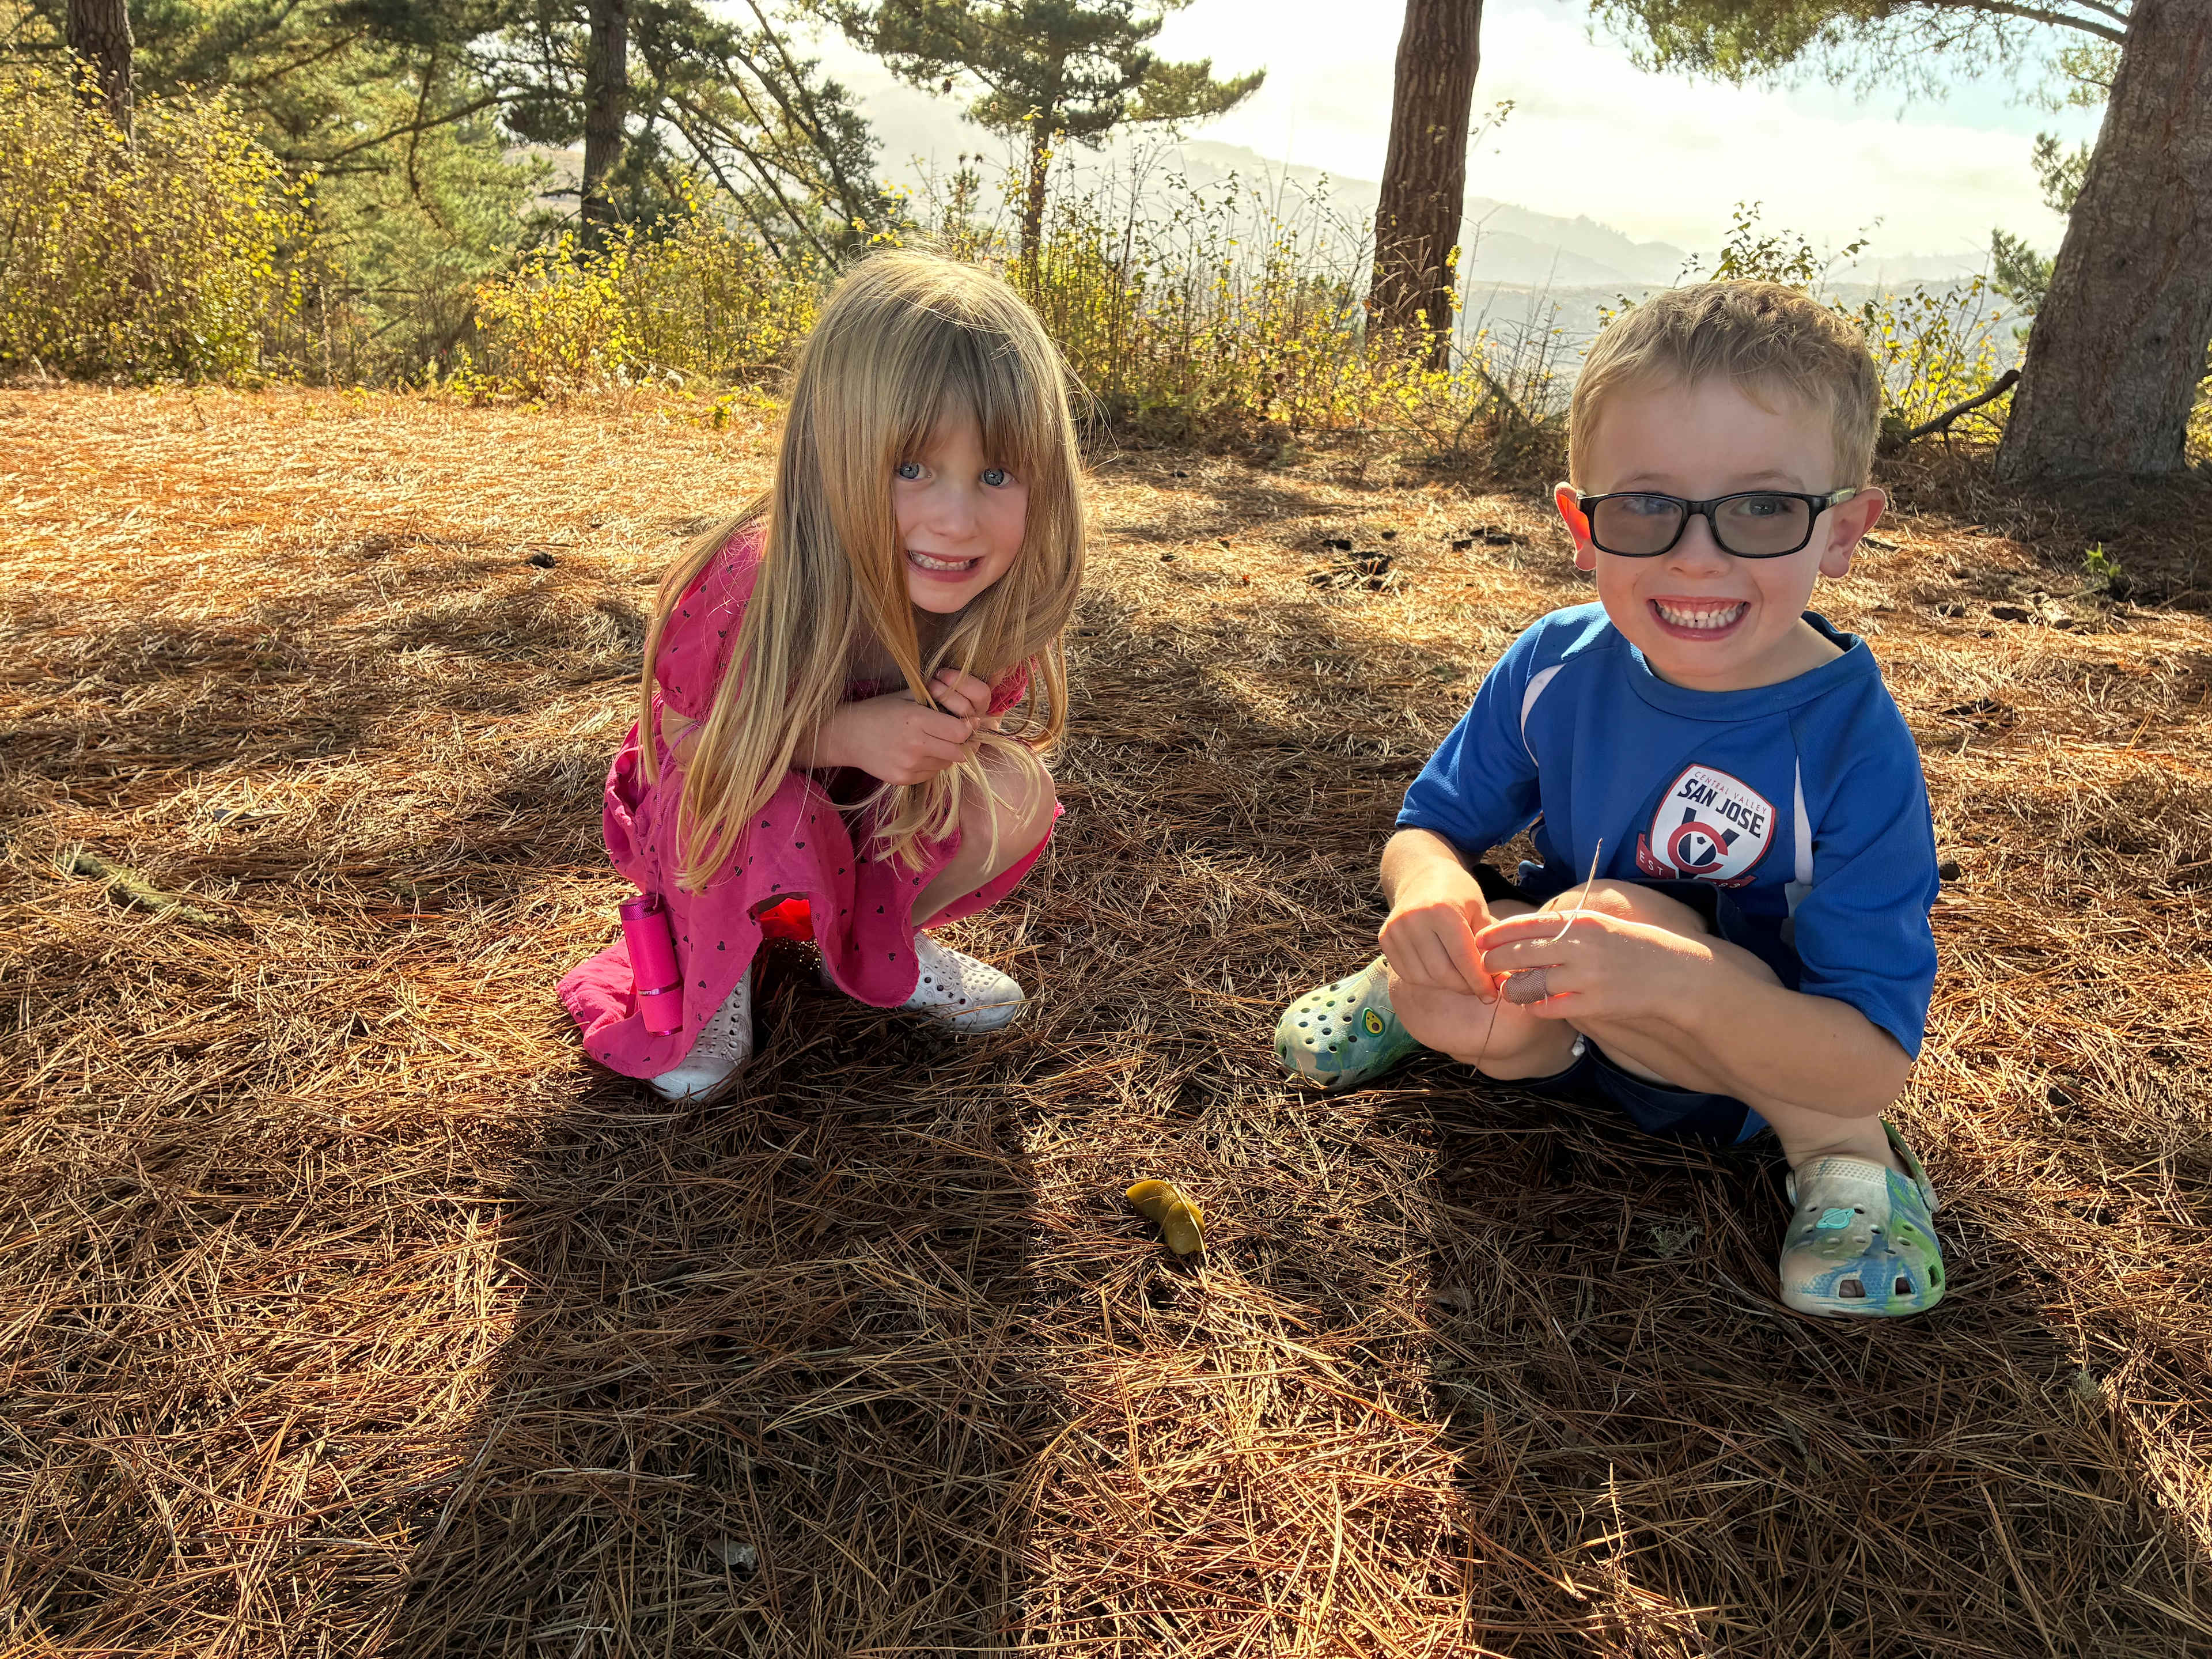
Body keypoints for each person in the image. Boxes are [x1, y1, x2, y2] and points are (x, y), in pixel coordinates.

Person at [1274, 281, 1947, 1320]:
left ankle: (1847, 1168)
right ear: (1581, 526)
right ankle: (1462, 998)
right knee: (1439, 997)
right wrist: (1430, 900)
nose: (1697, 555)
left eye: (1762, 509)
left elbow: (1866, 1059)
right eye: (1646, 505)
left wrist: (1676, 984)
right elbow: (1432, 829)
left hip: (1766, 1067)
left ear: (1845, 530)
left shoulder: (1851, 748)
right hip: (1575, 1004)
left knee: (1626, 928)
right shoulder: (1556, 662)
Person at [559, 250, 1084, 1101]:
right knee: (762, 806)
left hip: (843, 826)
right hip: (717, 823)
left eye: (995, 475)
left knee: (1014, 787)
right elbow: (684, 749)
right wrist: (845, 734)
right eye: (910, 468)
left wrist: (950, 728)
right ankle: (710, 978)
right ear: (826, 454)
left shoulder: (982, 602)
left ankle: (869, 945)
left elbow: (948, 766)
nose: (955, 520)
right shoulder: (749, 584)